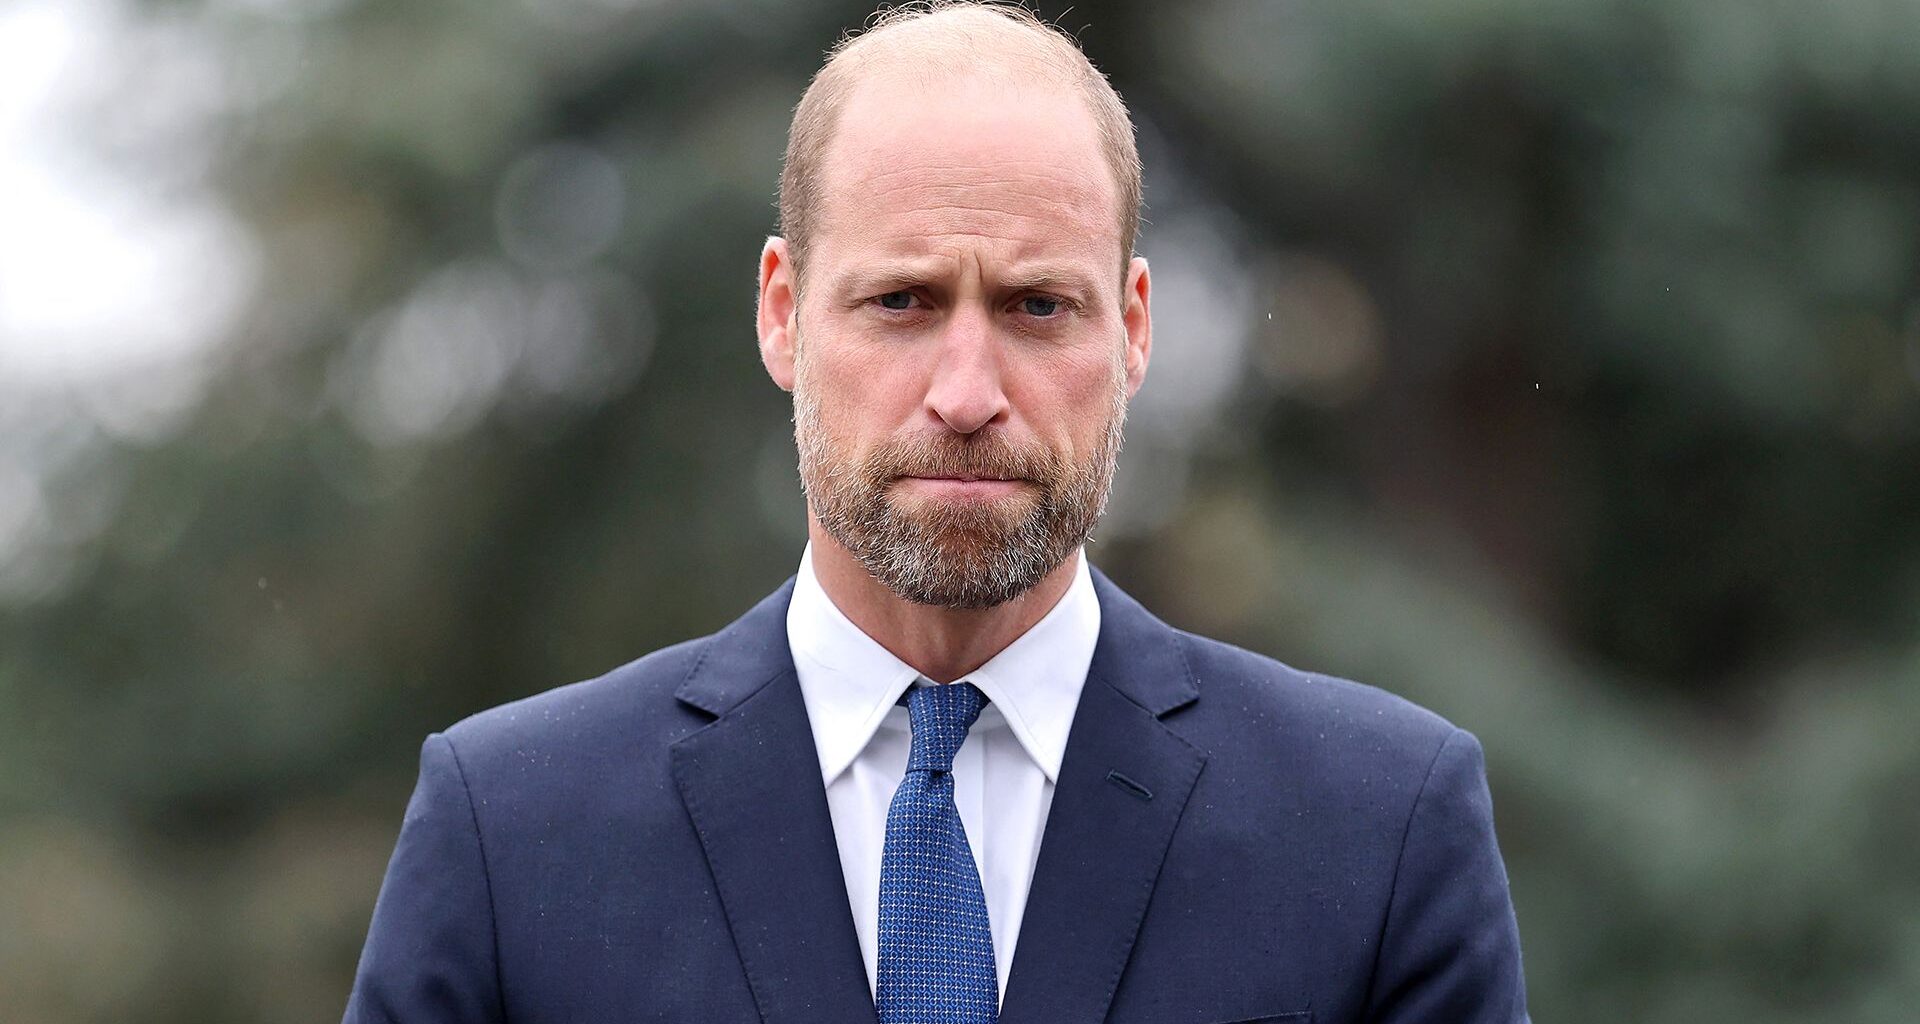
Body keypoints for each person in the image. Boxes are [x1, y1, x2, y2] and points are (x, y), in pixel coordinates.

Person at [343, 3, 1529, 1022]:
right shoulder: (511, 834)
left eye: (1037, 306)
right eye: (903, 300)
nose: (967, 393)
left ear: (1134, 328)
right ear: (782, 313)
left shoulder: (1376, 830)